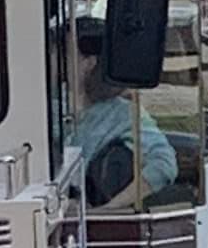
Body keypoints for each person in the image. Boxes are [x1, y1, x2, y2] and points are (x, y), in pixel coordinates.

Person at [67, 19, 180, 203]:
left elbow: (164, 165)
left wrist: (109, 211)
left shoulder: (122, 114)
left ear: (89, 62)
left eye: (64, 53)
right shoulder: (51, 107)